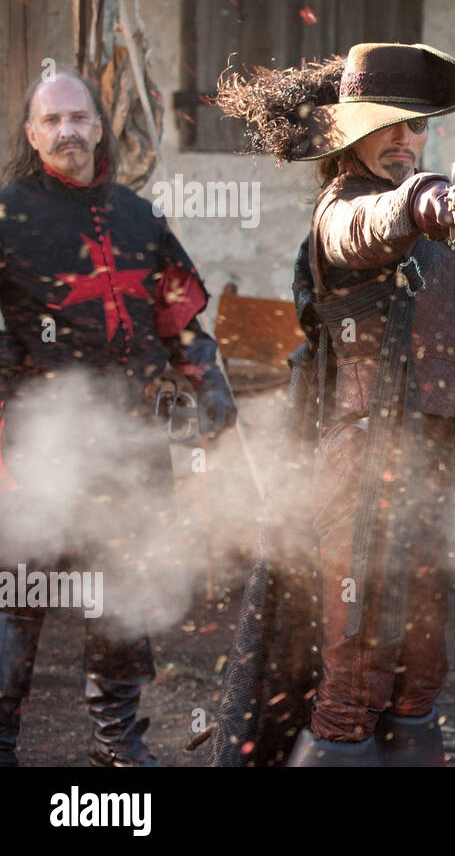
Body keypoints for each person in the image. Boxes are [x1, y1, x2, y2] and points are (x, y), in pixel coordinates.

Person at [213, 43, 455, 766]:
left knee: (420, 673)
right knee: (354, 673)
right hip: (362, 471)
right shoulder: (345, 210)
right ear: (349, 133)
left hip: (425, 471)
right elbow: (372, 226)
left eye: (415, 126)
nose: (404, 138)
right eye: (386, 124)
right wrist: (428, 201)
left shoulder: (435, 240)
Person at [0, 71, 236, 766]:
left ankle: (119, 744)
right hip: (35, 439)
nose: (68, 131)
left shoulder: (139, 218)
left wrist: (210, 387)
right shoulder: (6, 217)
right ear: (32, 133)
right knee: (18, 597)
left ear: (100, 126)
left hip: (130, 442)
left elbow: (179, 320)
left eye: (80, 117)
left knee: (124, 593)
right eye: (53, 121)